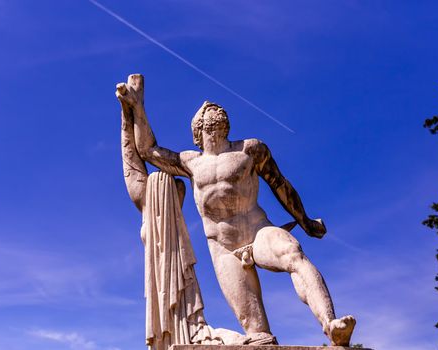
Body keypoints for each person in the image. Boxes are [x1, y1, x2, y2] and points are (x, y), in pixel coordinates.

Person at [116, 74, 355, 346]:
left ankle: (330, 324)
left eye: (216, 110)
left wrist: (305, 221)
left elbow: (280, 185)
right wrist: (136, 107)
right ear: (197, 130)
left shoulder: (250, 149)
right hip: (223, 248)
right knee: (256, 332)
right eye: (206, 112)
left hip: (257, 230)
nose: (212, 109)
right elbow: (147, 150)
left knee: (293, 254)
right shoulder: (190, 162)